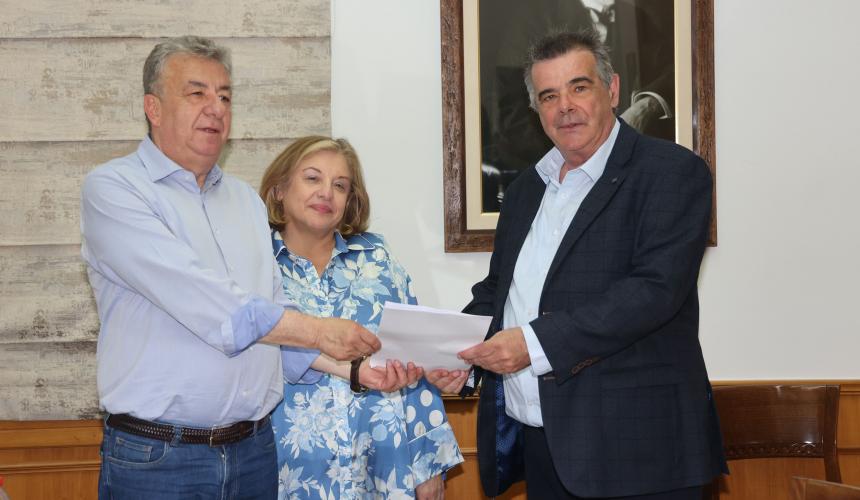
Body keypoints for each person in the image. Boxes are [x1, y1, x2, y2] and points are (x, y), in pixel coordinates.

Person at [81, 36, 387, 499]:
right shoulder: (115, 189)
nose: (216, 108)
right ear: (153, 108)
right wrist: (320, 331)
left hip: (253, 453)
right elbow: (208, 303)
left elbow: (271, 319)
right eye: (197, 93)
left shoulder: (246, 201)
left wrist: (355, 371)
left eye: (225, 97)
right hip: (159, 459)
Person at [428, 30, 726, 499]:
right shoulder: (526, 189)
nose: (564, 106)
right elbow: (498, 291)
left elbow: (653, 291)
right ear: (537, 109)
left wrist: (531, 343)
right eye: (549, 96)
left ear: (612, 89)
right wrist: (459, 357)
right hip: (544, 443)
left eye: (579, 87)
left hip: (638, 451)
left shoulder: (671, 171)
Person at [259, 136, 464, 499]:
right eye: (312, 178)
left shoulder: (378, 260)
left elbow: (414, 357)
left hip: (383, 462)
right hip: (287, 468)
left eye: (340, 185)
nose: (326, 193)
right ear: (279, 189)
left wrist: (428, 465)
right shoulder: (257, 265)